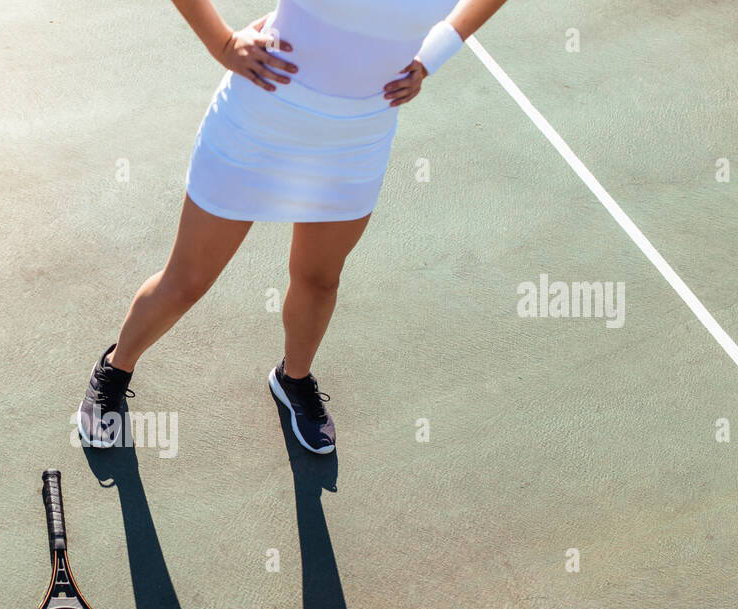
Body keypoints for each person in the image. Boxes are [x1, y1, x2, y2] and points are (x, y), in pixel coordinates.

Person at [78, 0, 508, 455]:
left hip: (358, 136)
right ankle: (115, 368)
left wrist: (431, 55)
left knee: (319, 280)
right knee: (186, 282)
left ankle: (293, 379)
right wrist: (221, 42)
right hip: (260, 118)